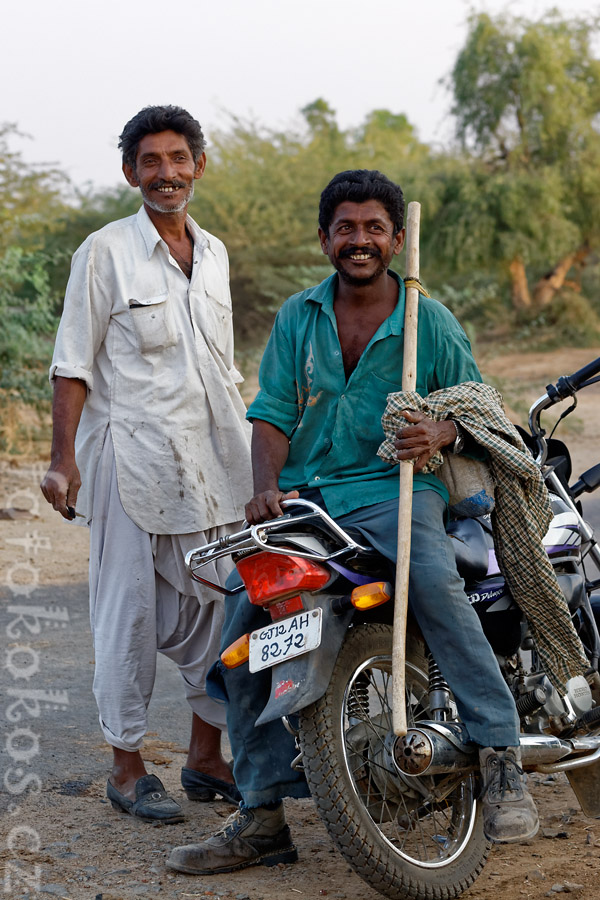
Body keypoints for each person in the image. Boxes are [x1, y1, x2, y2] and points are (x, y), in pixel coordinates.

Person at [167, 168, 544, 870]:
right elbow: (273, 413)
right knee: (247, 632)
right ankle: (262, 815)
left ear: (397, 238)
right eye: (346, 228)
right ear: (325, 239)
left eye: (374, 228)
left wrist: (440, 433)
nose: (360, 240)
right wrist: (264, 487)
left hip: (394, 488)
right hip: (308, 496)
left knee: (434, 584)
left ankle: (499, 757)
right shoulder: (298, 316)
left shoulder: (427, 318)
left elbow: (474, 404)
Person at [40, 105, 251, 823]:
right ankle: (126, 769)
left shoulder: (216, 253)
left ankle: (205, 757)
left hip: (212, 463)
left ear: (198, 166)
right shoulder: (104, 252)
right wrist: (60, 461)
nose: (167, 174)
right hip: (126, 460)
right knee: (127, 616)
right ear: (131, 172)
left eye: (179, 159)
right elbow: (72, 361)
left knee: (223, 609)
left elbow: (223, 369)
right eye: (151, 162)